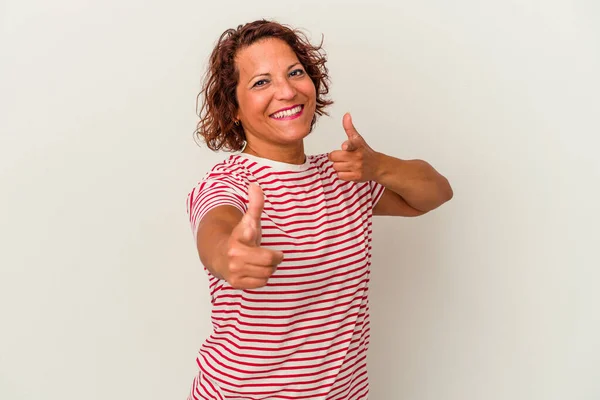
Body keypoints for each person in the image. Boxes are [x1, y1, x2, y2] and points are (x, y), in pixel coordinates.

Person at [186, 19, 453, 400]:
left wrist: (377, 166)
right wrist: (229, 254)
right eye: (261, 82)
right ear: (233, 110)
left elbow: (436, 193)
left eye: (295, 73)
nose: (287, 90)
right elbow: (216, 229)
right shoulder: (229, 182)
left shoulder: (343, 174)